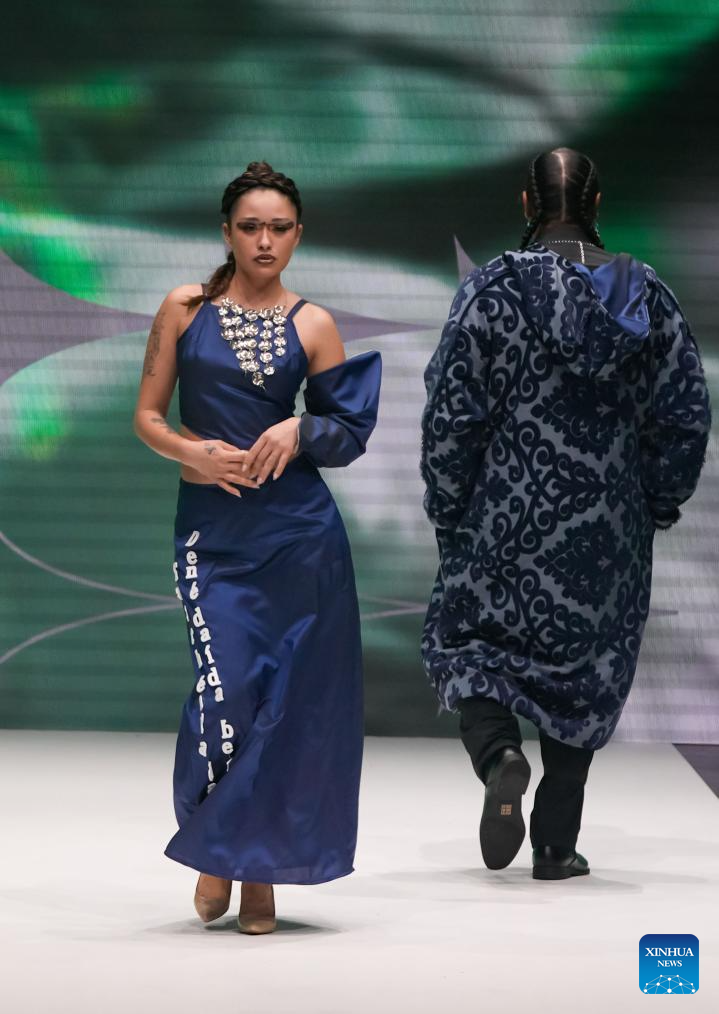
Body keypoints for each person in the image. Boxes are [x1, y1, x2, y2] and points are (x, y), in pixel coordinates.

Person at [420, 147, 711, 880]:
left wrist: (449, 508)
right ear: (596, 204)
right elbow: (684, 415)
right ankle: (554, 843)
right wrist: (656, 500)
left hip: (501, 517)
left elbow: (452, 412)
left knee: (470, 645)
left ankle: (498, 754)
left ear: (526, 204)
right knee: (586, 671)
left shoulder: (490, 291)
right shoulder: (645, 296)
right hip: (606, 530)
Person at [134, 161, 381, 932]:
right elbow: (147, 416)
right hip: (212, 536)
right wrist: (192, 453)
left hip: (300, 538)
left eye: (278, 228)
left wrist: (299, 428)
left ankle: (258, 873)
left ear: (298, 235)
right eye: (250, 227)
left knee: (289, 706)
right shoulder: (184, 307)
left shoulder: (314, 324)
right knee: (227, 692)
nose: (264, 240)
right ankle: (217, 850)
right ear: (227, 233)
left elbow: (346, 432)